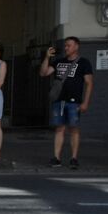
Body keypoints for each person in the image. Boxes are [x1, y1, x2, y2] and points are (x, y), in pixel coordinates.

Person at [38, 35, 92, 169]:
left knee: (73, 129)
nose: (66, 47)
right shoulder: (58, 61)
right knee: (59, 128)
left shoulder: (84, 62)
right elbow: (43, 73)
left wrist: (85, 102)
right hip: (59, 101)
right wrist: (47, 57)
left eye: (69, 45)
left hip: (74, 102)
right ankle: (56, 158)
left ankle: (74, 158)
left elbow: (89, 83)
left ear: (76, 47)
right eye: (65, 45)